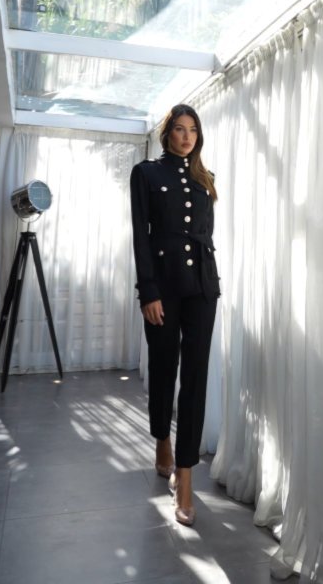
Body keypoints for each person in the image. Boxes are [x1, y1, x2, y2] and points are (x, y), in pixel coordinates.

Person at [130, 103, 220, 526]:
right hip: (163, 288)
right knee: (164, 367)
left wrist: (209, 281)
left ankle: (185, 476)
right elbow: (141, 235)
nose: (187, 137)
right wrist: (148, 290)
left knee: (196, 378)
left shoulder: (206, 178)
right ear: (167, 134)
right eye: (180, 129)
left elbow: (205, 234)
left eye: (193, 130)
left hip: (202, 288)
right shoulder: (146, 174)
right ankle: (161, 438)